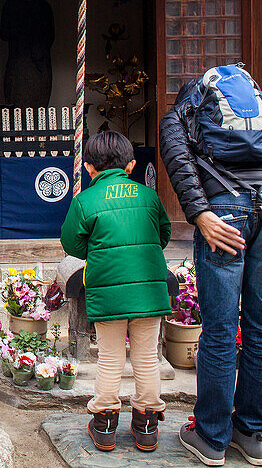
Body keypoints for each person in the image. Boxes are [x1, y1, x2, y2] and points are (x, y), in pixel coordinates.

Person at [159, 64, 262, 466]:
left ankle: (211, 437)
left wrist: (200, 213)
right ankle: (252, 435)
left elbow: (177, 157)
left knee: (220, 329)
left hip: (224, 213)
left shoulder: (183, 109)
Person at [61, 130, 172, 453]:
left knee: (110, 357)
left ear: (90, 168)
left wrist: (98, 251)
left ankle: (106, 425)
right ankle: (147, 425)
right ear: (131, 165)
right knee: (147, 357)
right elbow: (162, 235)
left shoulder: (86, 200)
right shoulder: (149, 197)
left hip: (107, 290)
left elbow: (71, 244)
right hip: (149, 291)